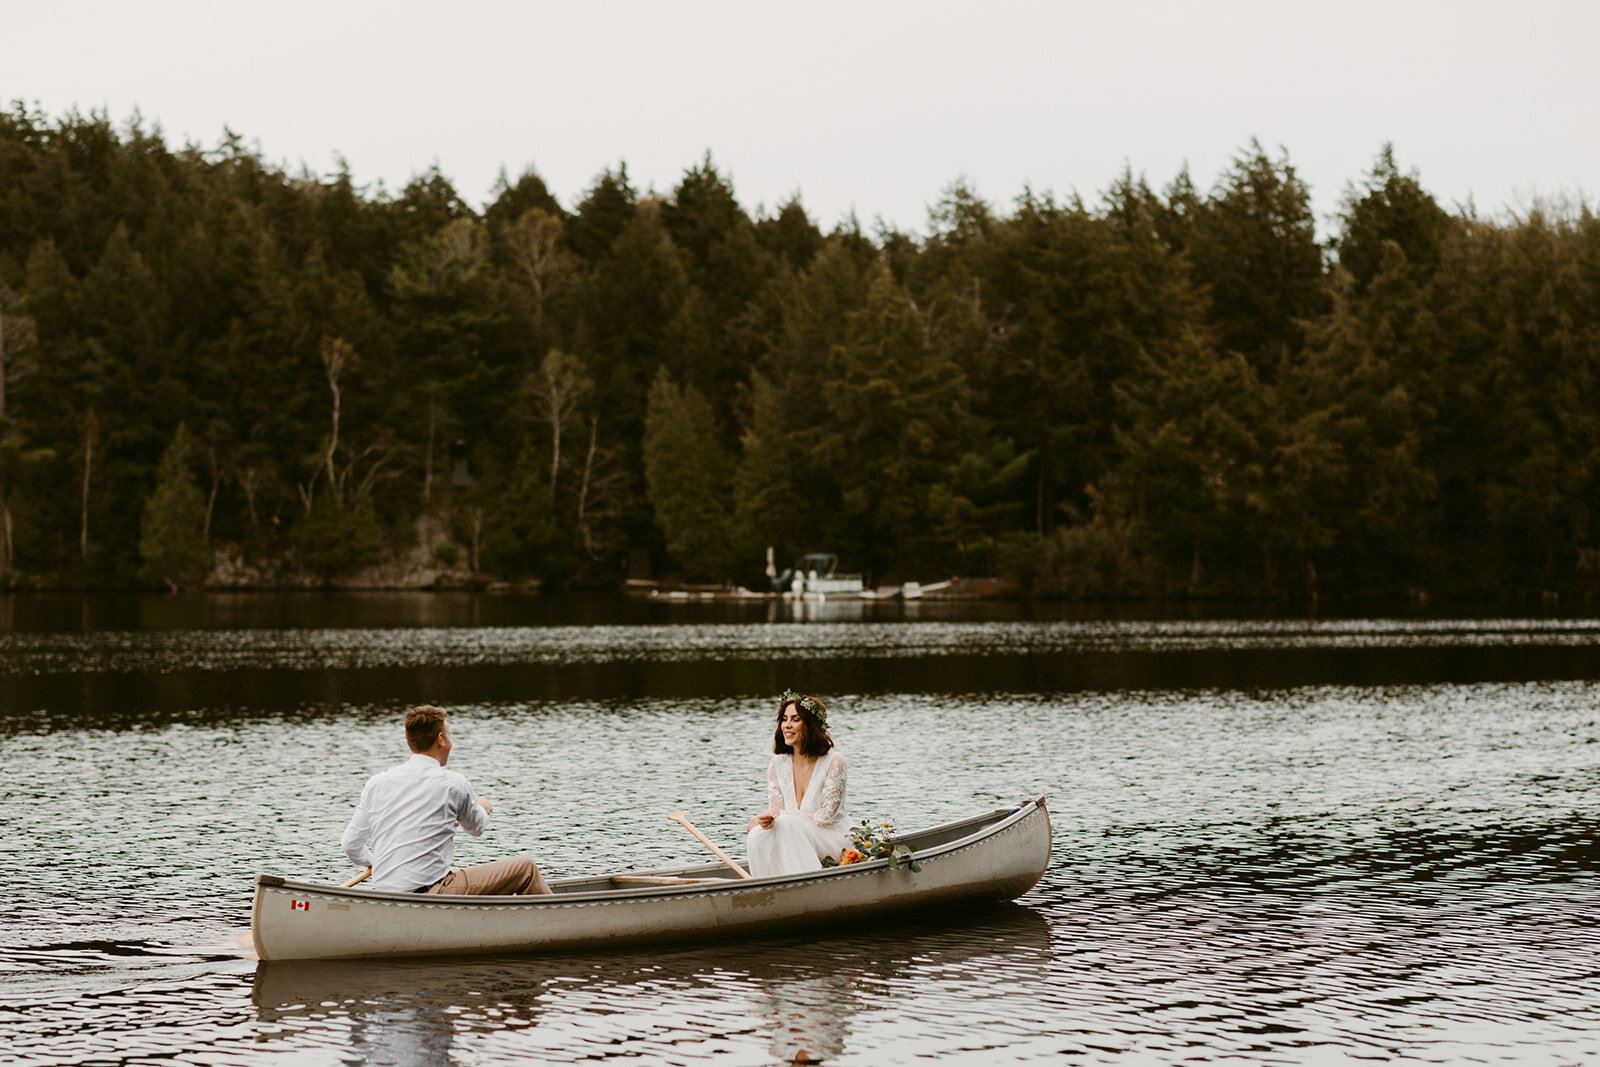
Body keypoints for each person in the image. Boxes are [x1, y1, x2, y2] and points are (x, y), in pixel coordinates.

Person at [342, 705, 552, 895]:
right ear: (441, 739)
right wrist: (482, 807)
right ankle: (555, 925)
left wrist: (376, 862)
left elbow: (351, 844)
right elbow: (476, 828)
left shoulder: (377, 783)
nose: (450, 742)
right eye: (449, 735)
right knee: (526, 869)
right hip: (432, 892)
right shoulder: (454, 784)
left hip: (385, 893)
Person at [746, 689, 849, 877]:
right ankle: (768, 886)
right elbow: (776, 809)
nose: (787, 725)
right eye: (784, 719)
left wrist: (781, 818)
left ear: (810, 725)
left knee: (785, 824)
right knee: (756, 835)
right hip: (792, 831)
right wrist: (765, 819)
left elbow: (825, 819)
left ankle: (806, 885)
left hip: (829, 838)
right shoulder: (777, 764)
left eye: (795, 719)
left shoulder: (835, 761)